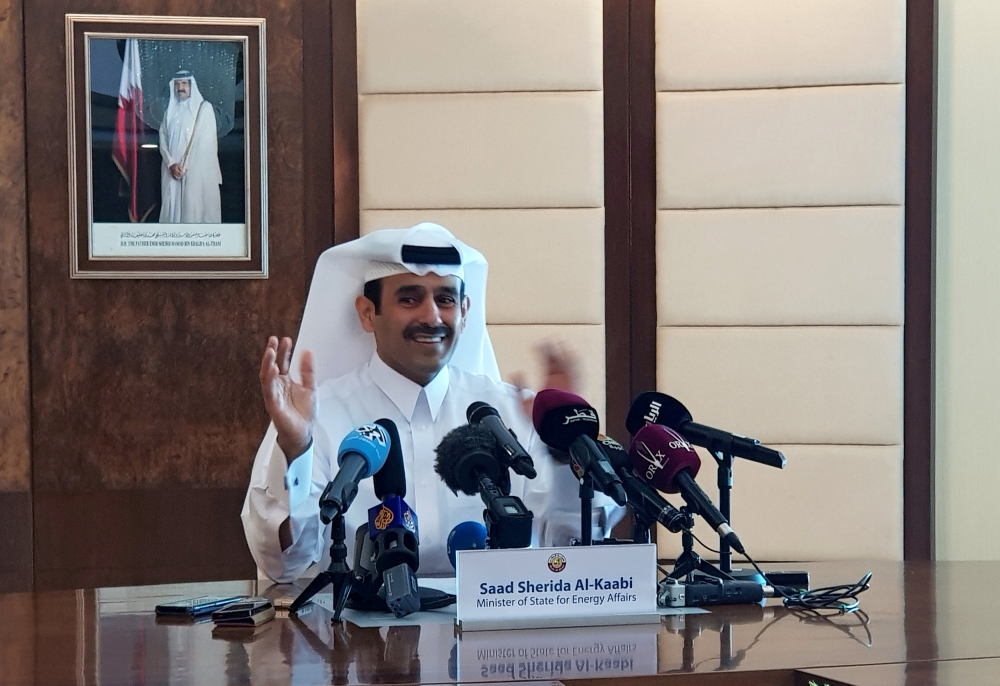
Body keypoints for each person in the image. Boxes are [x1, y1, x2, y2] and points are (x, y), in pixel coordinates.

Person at [242, 223, 623, 582]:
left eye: (446, 299)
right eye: (409, 298)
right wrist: (296, 450)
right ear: (367, 313)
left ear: (465, 312)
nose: (432, 316)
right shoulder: (319, 418)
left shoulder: (511, 413)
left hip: (493, 644)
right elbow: (283, 565)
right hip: (352, 643)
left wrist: (564, 446)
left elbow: (573, 542)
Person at [158, 70, 223, 223]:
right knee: (171, 211)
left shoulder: (204, 109)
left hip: (194, 171)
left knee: (194, 210)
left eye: (184, 83)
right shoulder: (169, 112)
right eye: (177, 84)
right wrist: (171, 163)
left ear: (192, 85)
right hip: (171, 171)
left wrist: (184, 167)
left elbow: (204, 142)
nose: (180, 87)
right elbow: (162, 138)